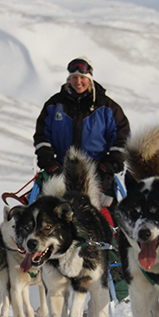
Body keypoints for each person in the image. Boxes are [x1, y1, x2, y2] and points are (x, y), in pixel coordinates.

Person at [33, 56, 130, 205]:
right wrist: (49, 162)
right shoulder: (54, 105)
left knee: (105, 214)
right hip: (60, 170)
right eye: (74, 78)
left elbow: (122, 137)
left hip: (98, 172)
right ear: (69, 79)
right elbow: (42, 136)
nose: (78, 82)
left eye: (82, 78)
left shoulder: (107, 107)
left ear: (89, 79)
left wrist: (110, 164)